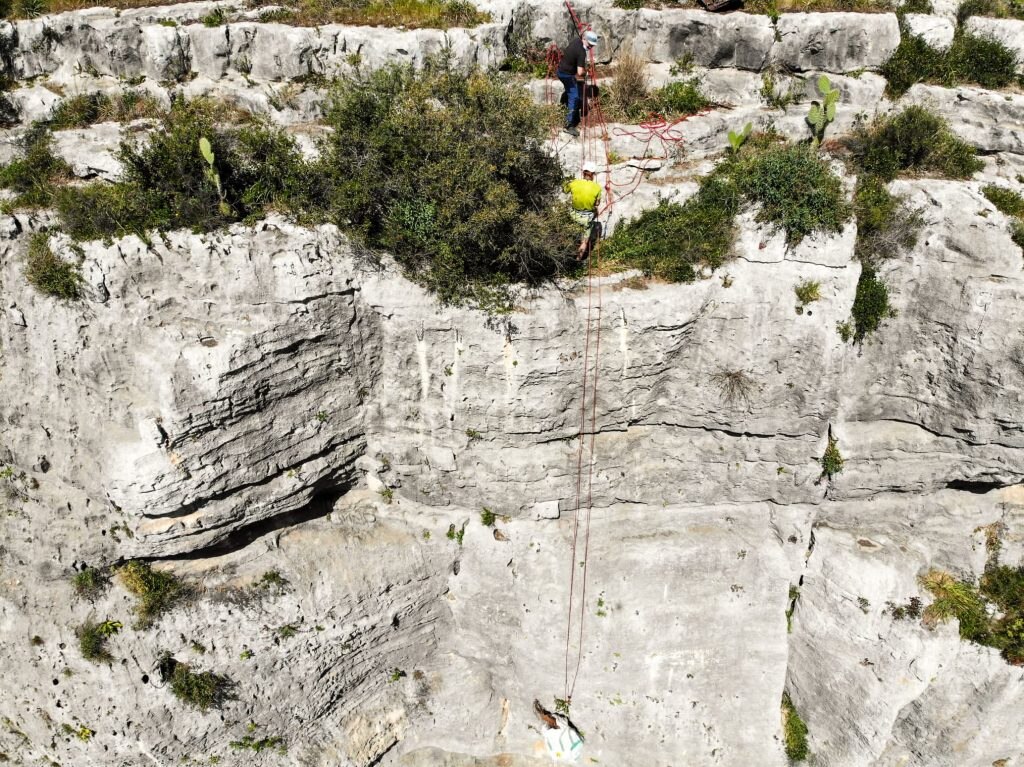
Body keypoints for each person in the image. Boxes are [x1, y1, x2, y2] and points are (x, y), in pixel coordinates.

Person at [557, 30, 599, 137]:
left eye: (592, 46)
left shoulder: (576, 41)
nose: (590, 47)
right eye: (589, 45)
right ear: (584, 39)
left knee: (575, 90)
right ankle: (568, 125)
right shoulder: (581, 52)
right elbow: (580, 72)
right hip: (566, 75)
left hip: (562, 70)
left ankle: (566, 103)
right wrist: (587, 72)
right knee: (575, 97)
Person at [563, 161, 602, 259]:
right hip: (586, 218)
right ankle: (578, 260)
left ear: (583, 172)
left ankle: (565, 254)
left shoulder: (574, 183)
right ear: (593, 174)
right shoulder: (597, 187)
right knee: (584, 241)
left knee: (570, 235)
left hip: (574, 215)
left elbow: (564, 190)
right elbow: (597, 203)